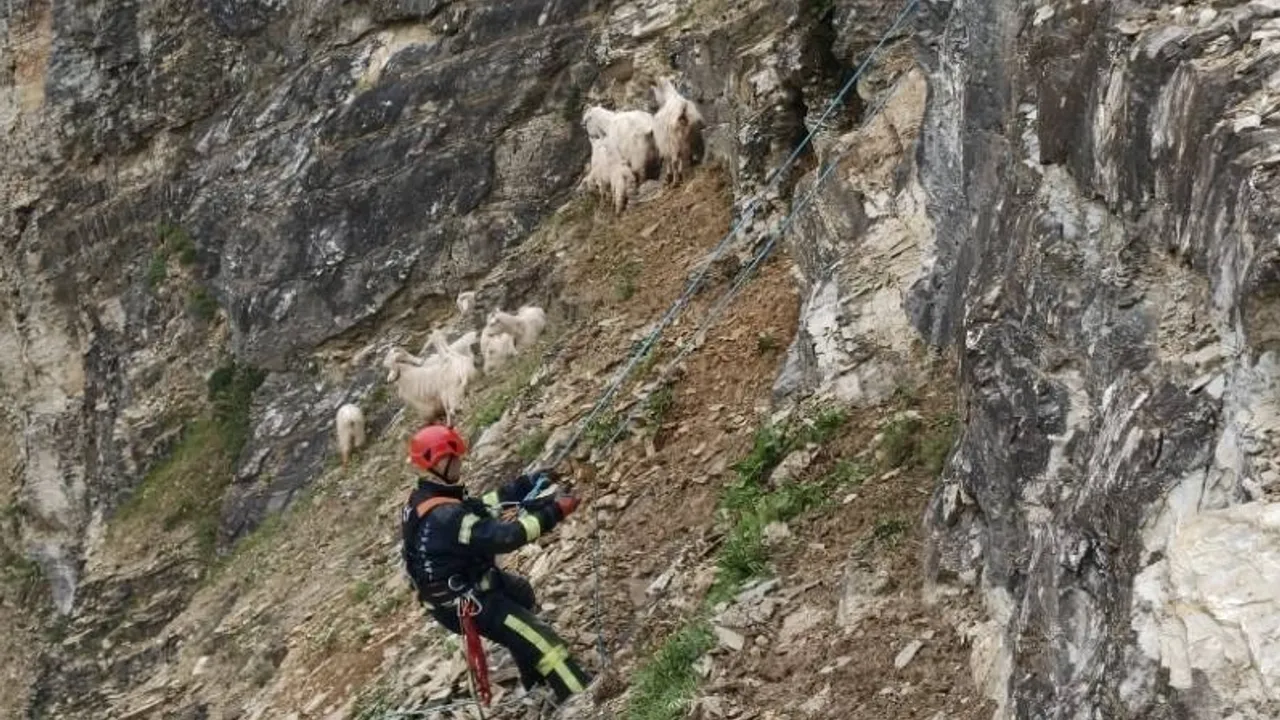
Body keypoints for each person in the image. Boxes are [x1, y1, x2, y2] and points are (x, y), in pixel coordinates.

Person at [399, 424, 592, 705]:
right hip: (466, 602)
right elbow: (506, 537)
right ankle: (585, 701)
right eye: (455, 457)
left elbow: (483, 505)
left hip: (459, 590)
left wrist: (526, 484)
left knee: (521, 594)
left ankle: (535, 682)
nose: (460, 461)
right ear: (440, 462)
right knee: (544, 643)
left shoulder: (427, 498)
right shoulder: (446, 516)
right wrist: (554, 512)